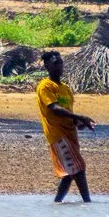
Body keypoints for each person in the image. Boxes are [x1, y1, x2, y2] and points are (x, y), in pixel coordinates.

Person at [36, 50, 96, 203]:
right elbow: (54, 108)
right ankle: (87, 203)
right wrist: (79, 117)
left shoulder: (66, 88)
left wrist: (80, 123)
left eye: (61, 63)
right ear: (47, 66)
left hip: (70, 134)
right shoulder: (45, 86)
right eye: (55, 63)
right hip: (58, 135)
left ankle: (57, 203)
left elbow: (68, 112)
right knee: (79, 168)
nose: (59, 66)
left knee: (69, 174)